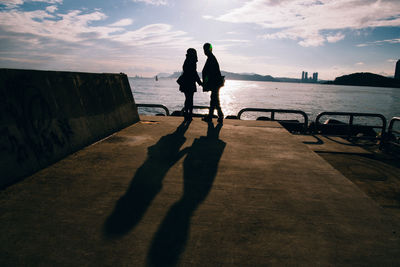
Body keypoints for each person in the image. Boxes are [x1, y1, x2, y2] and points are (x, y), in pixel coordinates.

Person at [202, 42, 224, 124]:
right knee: (214, 99)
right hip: (216, 83)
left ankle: (219, 115)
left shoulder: (211, 58)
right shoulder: (211, 58)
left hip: (215, 83)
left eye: (205, 49)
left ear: (209, 49)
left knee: (214, 99)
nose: (204, 51)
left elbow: (208, 73)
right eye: (204, 49)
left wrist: (205, 82)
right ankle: (212, 116)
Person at [179, 48, 202, 122]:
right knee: (190, 99)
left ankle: (187, 114)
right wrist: (200, 82)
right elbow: (194, 73)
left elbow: (189, 71)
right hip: (190, 83)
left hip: (186, 82)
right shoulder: (192, 61)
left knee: (187, 99)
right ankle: (189, 115)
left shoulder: (187, 60)